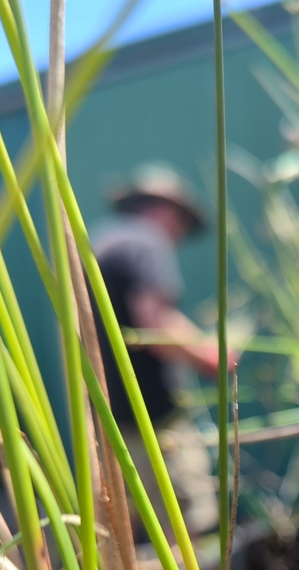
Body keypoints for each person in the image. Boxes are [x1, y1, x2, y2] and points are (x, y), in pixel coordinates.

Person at [91, 163, 221, 538]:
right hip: (155, 416)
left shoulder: (104, 243)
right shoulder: (145, 242)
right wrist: (211, 356)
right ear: (166, 211)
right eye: (181, 224)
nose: (179, 236)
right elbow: (155, 324)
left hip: (116, 416)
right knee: (188, 519)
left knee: (146, 521)